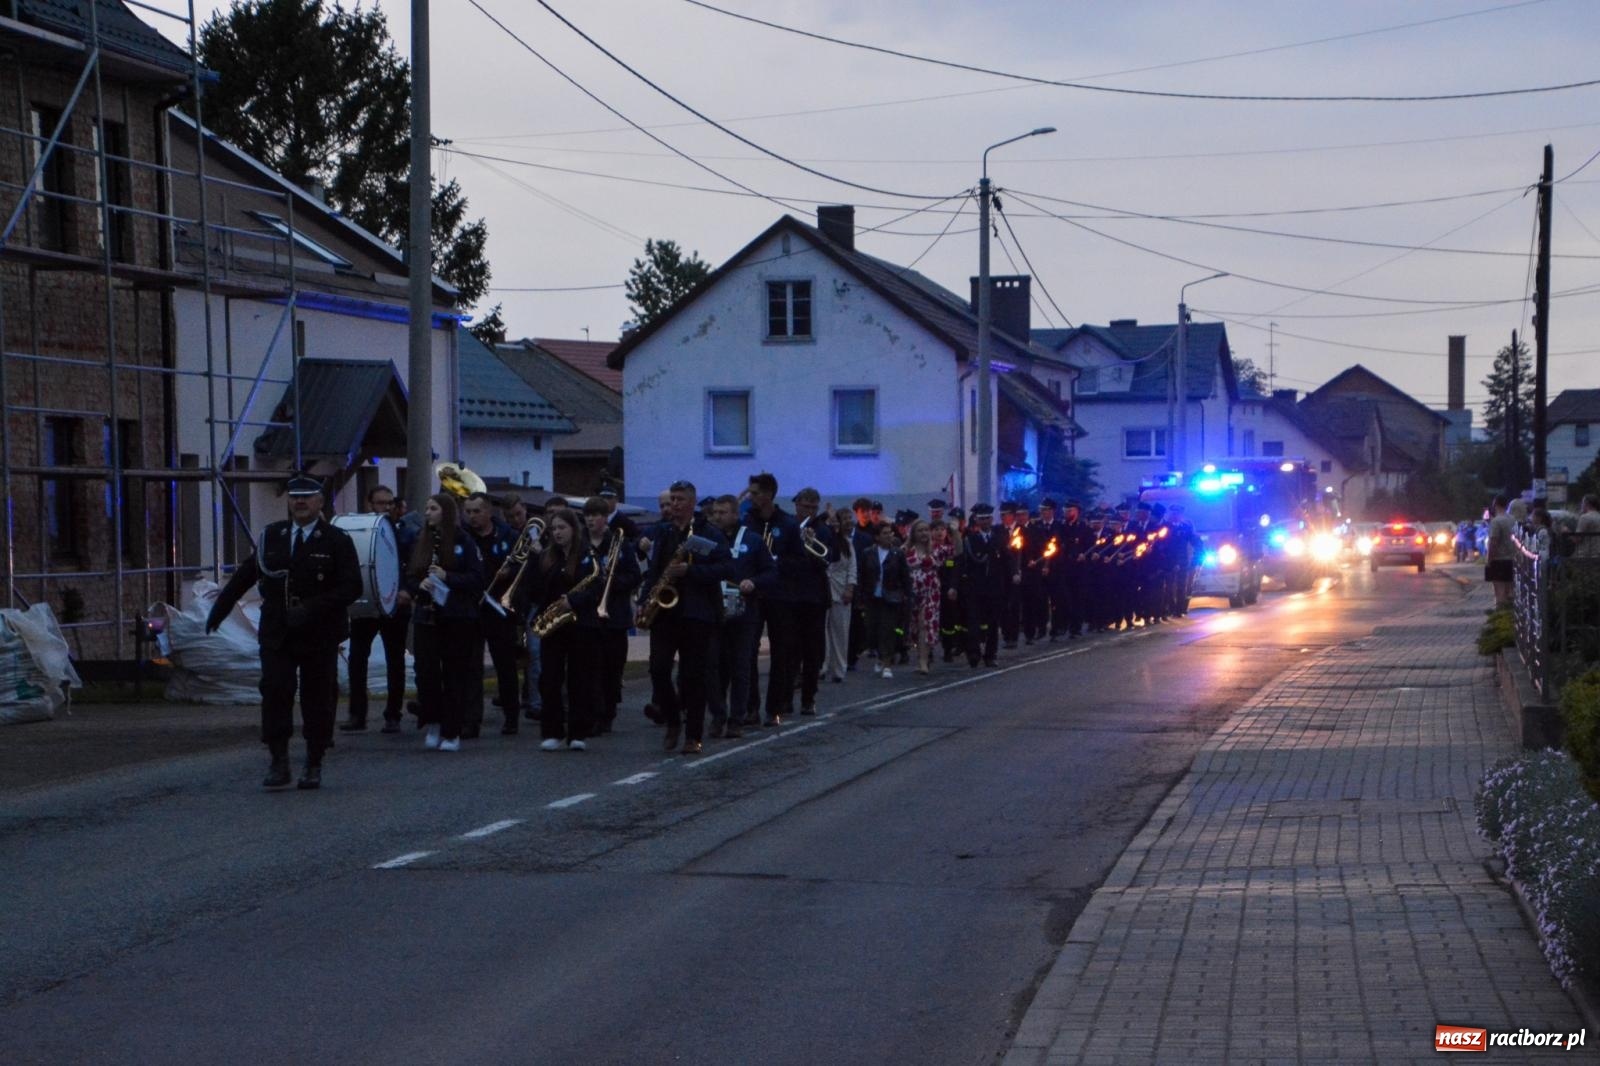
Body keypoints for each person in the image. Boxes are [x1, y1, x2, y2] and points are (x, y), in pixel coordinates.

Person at [207, 473, 361, 790]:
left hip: (319, 633)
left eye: (307, 497)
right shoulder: (272, 536)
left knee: (318, 698)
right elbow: (248, 574)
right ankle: (279, 760)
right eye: (295, 497)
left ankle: (314, 760)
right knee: (275, 691)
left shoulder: (335, 540)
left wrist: (313, 607)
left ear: (320, 502)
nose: (300, 503)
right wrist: (220, 609)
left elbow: (351, 587)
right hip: (278, 630)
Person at [639, 479, 734, 753]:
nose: (675, 505)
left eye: (680, 500)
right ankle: (672, 719)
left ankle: (693, 735)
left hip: (698, 614)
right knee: (658, 670)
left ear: (692, 503)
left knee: (694, 677)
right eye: (672, 500)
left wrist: (691, 572)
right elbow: (655, 571)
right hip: (665, 614)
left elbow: (727, 568)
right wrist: (645, 600)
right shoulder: (664, 533)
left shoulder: (709, 534)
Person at [521, 507, 609, 750]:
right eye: (554, 528)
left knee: (580, 679)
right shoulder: (547, 557)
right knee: (549, 678)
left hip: (582, 623)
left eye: (562, 528)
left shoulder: (587, 555)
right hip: (554, 625)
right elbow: (534, 590)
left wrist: (573, 601)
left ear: (573, 529)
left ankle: (578, 733)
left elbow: (596, 588)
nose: (557, 533)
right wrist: (534, 563)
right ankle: (552, 731)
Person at [407, 492, 486, 752]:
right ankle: (433, 721)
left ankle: (452, 731)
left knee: (454, 674)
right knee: (427, 673)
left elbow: (476, 578)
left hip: (457, 616)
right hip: (427, 617)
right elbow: (409, 574)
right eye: (427, 508)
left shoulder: (464, 541)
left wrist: (447, 576)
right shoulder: (423, 540)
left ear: (446, 512)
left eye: (432, 508)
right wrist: (419, 584)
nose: (427, 513)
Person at [339, 484, 413, 734]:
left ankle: (393, 715)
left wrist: (407, 590)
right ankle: (356, 714)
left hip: (396, 605)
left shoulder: (405, 533)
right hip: (368, 603)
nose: (386, 507)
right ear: (370, 505)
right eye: (380, 503)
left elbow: (414, 566)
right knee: (357, 659)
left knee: (395, 660)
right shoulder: (364, 532)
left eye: (389, 503)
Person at [706, 494, 776, 738]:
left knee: (741, 666)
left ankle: (737, 718)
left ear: (736, 514)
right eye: (715, 512)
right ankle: (717, 714)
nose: (717, 517)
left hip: (744, 612)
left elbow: (771, 572)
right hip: (714, 611)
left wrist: (753, 582)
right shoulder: (708, 539)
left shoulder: (753, 540)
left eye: (723, 512)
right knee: (712, 666)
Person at [744, 473, 803, 726]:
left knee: (781, 652)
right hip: (755, 593)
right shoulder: (748, 522)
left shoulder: (788, 524)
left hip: (781, 595)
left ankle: (774, 706)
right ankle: (750, 707)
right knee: (748, 652)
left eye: (755, 493)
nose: (751, 497)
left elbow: (800, 561)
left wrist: (776, 561)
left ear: (768, 495)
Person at [463, 492, 522, 736]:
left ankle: (511, 717)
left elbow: (524, 570)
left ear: (489, 512)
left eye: (477, 511)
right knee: (471, 666)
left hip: (500, 609)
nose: (472, 516)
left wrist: (511, 572)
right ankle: (471, 720)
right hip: (472, 608)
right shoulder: (463, 538)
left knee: (505, 665)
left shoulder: (509, 536)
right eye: (468, 511)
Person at [581, 497, 639, 734]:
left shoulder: (619, 543)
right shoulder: (581, 544)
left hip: (614, 616)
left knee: (612, 668)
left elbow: (635, 576)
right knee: (590, 667)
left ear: (606, 518)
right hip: (587, 616)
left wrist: (613, 582)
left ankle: (608, 712)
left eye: (596, 515)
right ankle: (593, 713)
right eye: (587, 515)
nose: (591, 519)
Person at [789, 488, 835, 715]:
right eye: (804, 506)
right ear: (796, 504)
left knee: (812, 651)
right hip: (790, 596)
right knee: (789, 649)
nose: (808, 511)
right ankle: (786, 697)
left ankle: (808, 698)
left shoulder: (822, 530)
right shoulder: (788, 527)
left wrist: (810, 544)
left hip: (814, 597)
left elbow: (827, 560)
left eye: (812, 508)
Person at [958, 503, 1007, 667]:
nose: (985, 521)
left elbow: (1006, 558)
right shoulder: (970, 539)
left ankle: (990, 655)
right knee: (973, 622)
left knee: (993, 623)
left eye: (987, 518)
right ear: (976, 520)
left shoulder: (999, 536)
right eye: (981, 518)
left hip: (995, 586)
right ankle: (973, 653)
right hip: (975, 587)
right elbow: (970, 560)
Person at [858, 523, 909, 678]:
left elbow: (904, 576)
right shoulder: (868, 553)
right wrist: (860, 596)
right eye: (885, 533)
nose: (889, 536)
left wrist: (906, 594)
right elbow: (862, 574)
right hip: (872, 597)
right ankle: (879, 655)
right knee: (872, 629)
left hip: (891, 597)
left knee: (887, 629)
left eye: (890, 533)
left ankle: (887, 662)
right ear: (877, 537)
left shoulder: (897, 554)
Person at [824, 506, 858, 684]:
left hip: (841, 590)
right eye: (835, 521)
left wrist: (850, 588)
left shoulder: (847, 544)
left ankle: (839, 669)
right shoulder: (823, 540)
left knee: (840, 632)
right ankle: (822, 666)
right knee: (821, 632)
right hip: (822, 591)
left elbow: (852, 568)